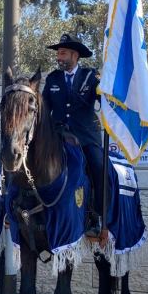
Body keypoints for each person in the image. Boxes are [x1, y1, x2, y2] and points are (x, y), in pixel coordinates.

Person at [42, 33, 103, 237]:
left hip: (85, 136)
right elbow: (44, 109)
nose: (59, 57)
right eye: (58, 53)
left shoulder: (91, 76)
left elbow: (105, 102)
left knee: (98, 166)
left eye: (63, 53)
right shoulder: (52, 79)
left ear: (75, 55)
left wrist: (107, 88)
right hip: (58, 136)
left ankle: (96, 216)